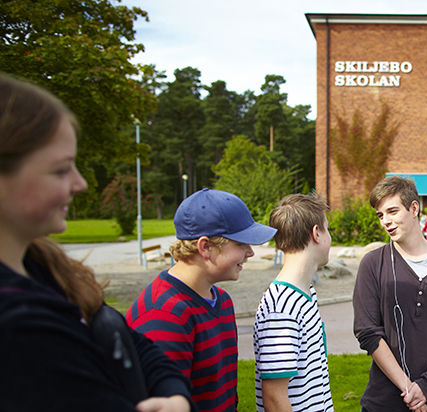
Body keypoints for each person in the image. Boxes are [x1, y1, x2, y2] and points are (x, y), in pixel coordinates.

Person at [0, 73, 194, 412]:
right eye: (61, 170)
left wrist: (174, 394)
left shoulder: (46, 270)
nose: (81, 183)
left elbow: (133, 343)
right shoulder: (18, 326)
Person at [127, 188, 276, 412]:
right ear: (205, 247)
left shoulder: (222, 302)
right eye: (241, 244)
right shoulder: (163, 315)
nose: (250, 252)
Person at [353, 176, 427, 412]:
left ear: (414, 208)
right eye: (380, 215)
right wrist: (410, 390)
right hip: (383, 401)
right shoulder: (373, 263)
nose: (386, 221)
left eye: (393, 211)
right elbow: (367, 332)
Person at [254, 194, 334, 412]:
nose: (330, 237)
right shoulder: (282, 307)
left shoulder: (305, 294)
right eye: (327, 229)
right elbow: (274, 397)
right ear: (317, 233)